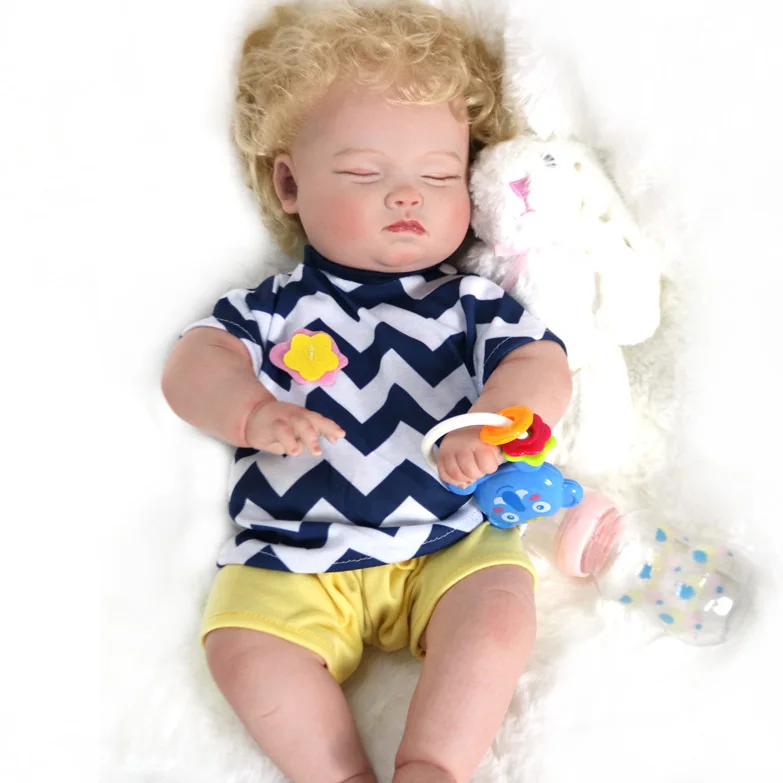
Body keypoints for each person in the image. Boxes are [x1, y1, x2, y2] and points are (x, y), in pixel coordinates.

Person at [161, 1, 572, 781]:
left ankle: (434, 763)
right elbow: (192, 366)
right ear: (289, 182)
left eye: (438, 175)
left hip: (448, 541)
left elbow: (541, 363)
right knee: (242, 646)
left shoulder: (468, 303)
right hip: (292, 555)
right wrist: (250, 409)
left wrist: (490, 421)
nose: (408, 195)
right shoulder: (272, 308)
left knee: (496, 615)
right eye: (364, 172)